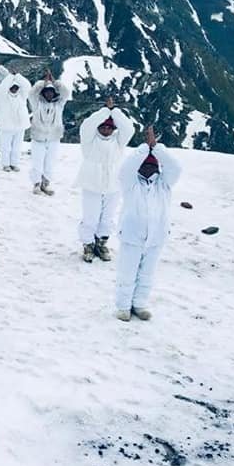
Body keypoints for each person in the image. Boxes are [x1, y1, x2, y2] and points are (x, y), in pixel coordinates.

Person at [114, 127, 182, 321]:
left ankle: (140, 304)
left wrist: (156, 149)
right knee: (127, 273)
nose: (148, 168)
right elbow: (126, 168)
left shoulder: (164, 184)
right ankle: (123, 306)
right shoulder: (131, 183)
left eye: (152, 166)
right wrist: (145, 148)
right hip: (132, 236)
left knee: (147, 275)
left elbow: (176, 168)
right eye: (145, 165)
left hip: (156, 238)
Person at [77, 97, 134, 262]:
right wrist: (104, 111)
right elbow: (87, 125)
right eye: (103, 126)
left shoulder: (118, 141)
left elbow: (129, 129)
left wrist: (114, 111)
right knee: (91, 217)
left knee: (108, 217)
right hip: (91, 183)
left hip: (113, 185)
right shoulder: (89, 140)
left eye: (110, 127)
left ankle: (102, 242)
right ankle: (88, 244)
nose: (106, 130)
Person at [27, 69, 70, 195]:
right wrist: (43, 83)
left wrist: (55, 82)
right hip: (38, 138)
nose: (49, 94)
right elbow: (31, 94)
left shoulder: (59, 104)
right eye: (47, 92)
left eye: (51, 92)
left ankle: (45, 184)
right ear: (43, 93)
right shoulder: (37, 104)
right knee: (37, 162)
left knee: (50, 162)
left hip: (54, 138)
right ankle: (36, 184)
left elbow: (66, 93)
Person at [0, 71, 32, 172]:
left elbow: (27, 86)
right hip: (7, 126)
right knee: (6, 146)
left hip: (20, 126)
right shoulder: (3, 97)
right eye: (12, 87)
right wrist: (10, 76)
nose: (14, 89)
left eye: (16, 87)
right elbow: (2, 88)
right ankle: (5, 164)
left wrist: (18, 76)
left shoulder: (22, 96)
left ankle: (14, 163)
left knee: (17, 146)